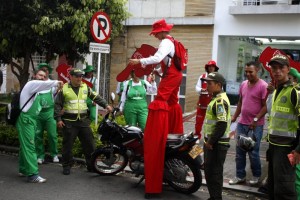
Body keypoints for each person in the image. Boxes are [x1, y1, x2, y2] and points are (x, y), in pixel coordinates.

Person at [129, 18, 184, 198]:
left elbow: (158, 58)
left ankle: (156, 137)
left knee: (160, 101)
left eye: (155, 33)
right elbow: (167, 64)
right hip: (175, 76)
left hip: (171, 77)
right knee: (170, 102)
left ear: (161, 32)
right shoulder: (173, 42)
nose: (155, 36)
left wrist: (140, 62)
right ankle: (171, 130)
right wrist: (157, 72)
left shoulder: (166, 42)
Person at [54, 68, 113, 175]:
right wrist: (58, 119)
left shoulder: (85, 87)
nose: (79, 78)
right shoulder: (64, 89)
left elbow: (96, 97)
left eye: (81, 76)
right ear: (70, 77)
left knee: (90, 144)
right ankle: (66, 165)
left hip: (83, 121)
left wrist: (106, 105)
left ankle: (91, 165)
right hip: (69, 121)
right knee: (67, 145)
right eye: (77, 76)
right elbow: (57, 104)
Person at [17, 69, 63, 183]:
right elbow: (45, 84)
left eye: (44, 76)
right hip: (26, 119)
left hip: (31, 120)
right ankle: (32, 174)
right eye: (40, 75)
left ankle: (23, 169)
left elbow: (46, 87)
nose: (42, 77)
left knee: (25, 145)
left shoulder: (37, 89)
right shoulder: (32, 84)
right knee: (30, 146)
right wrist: (57, 82)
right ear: (34, 75)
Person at [229, 61, 268, 186]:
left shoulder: (263, 86)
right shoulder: (244, 84)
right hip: (242, 124)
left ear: (257, 70)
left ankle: (256, 176)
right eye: (246, 71)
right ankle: (240, 176)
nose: (247, 74)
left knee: (253, 153)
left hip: (256, 126)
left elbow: (266, 106)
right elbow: (241, 101)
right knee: (239, 153)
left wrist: (255, 120)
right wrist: (235, 116)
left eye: (250, 71)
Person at [267, 54, 300, 200]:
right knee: (273, 188)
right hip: (274, 146)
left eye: (281, 67)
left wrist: (298, 150)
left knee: (285, 190)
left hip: (287, 148)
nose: (277, 71)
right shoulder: (276, 92)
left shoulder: (294, 92)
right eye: (274, 68)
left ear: (288, 69)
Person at [201, 72, 231, 200]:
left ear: (218, 85)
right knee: (209, 171)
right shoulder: (216, 98)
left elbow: (222, 124)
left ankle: (216, 198)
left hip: (216, 144)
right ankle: (214, 197)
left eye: (209, 83)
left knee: (214, 173)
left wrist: (210, 142)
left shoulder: (219, 101)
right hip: (212, 143)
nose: (207, 86)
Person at [35, 63, 60, 164]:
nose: (44, 72)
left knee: (52, 135)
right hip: (37, 114)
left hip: (49, 113)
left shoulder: (52, 84)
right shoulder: (35, 84)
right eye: (41, 70)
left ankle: (54, 154)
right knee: (37, 136)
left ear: (48, 72)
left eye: (45, 70)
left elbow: (57, 96)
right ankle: (40, 155)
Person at [195, 60, 219, 138]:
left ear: (215, 68)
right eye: (209, 66)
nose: (211, 68)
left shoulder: (217, 78)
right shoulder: (202, 77)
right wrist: (201, 90)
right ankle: (197, 136)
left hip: (212, 104)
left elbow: (220, 90)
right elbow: (197, 87)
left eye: (212, 66)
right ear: (207, 67)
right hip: (202, 103)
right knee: (198, 121)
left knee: (211, 122)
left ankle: (209, 137)